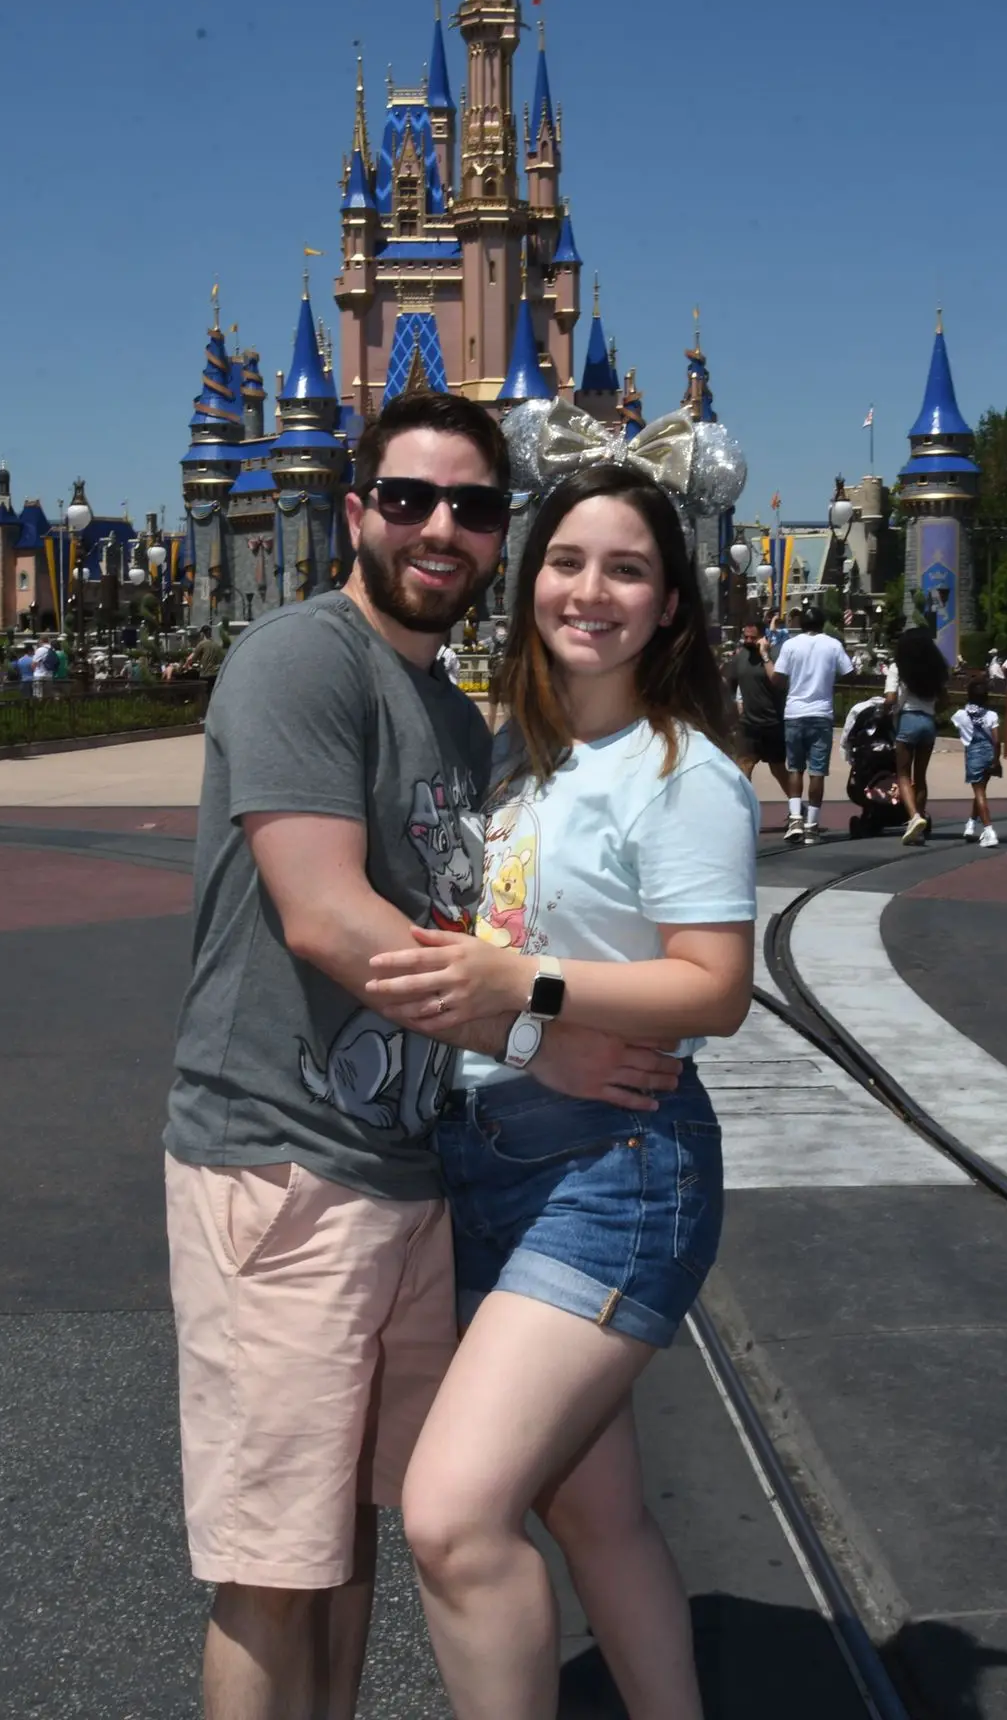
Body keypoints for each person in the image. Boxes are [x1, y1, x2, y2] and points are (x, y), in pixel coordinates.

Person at [164, 395, 671, 1720]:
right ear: (354, 511)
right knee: (275, 1568)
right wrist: (540, 1044)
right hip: (283, 1166)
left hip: (405, 1171)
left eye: (475, 507)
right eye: (409, 499)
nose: (440, 528)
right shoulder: (299, 659)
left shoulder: (454, 721)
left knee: (343, 1547)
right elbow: (326, 916)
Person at [366, 461, 756, 1720]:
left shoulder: (677, 769)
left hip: (611, 1168)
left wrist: (519, 985)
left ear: (670, 608)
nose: (590, 590)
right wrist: (520, 1013)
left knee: (451, 1512)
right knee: (595, 1510)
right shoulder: (517, 756)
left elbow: (712, 988)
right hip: (490, 1158)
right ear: (530, 578)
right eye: (567, 559)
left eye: (627, 568)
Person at [774, 606, 852, 844]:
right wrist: (828, 678)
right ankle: (812, 825)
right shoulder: (832, 645)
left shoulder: (790, 645)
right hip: (821, 713)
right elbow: (849, 673)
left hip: (795, 713)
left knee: (795, 768)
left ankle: (796, 817)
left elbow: (778, 678)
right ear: (822, 623)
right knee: (817, 771)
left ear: (801, 624)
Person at [886, 626, 950, 845]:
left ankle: (913, 817)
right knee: (920, 776)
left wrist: (883, 711)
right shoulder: (934, 670)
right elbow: (945, 701)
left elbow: (891, 698)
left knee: (903, 774)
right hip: (928, 723)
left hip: (907, 721)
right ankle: (920, 823)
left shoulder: (899, 667)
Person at [725, 619, 791, 800]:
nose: (747, 641)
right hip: (748, 725)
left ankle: (797, 808)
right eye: (745, 636)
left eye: (752, 638)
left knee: (778, 770)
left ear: (763, 637)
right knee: (743, 768)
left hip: (773, 724)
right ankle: (744, 810)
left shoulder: (775, 656)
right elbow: (729, 687)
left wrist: (765, 655)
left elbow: (781, 685)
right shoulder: (739, 658)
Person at [952, 675, 1002, 847]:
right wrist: (996, 760)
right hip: (990, 754)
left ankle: (989, 830)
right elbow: (996, 741)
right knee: (981, 789)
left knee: (979, 792)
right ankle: (971, 824)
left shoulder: (960, 715)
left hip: (973, 755)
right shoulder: (992, 715)